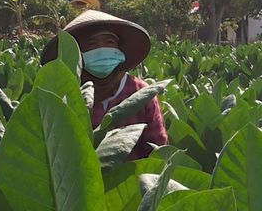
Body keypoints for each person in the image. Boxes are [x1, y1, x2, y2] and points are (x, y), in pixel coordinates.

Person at [41, 10, 167, 160]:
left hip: (133, 181)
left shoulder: (140, 91)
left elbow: (157, 148)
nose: (101, 49)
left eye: (109, 42)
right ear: (80, 54)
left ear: (119, 50)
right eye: (92, 44)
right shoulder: (68, 94)